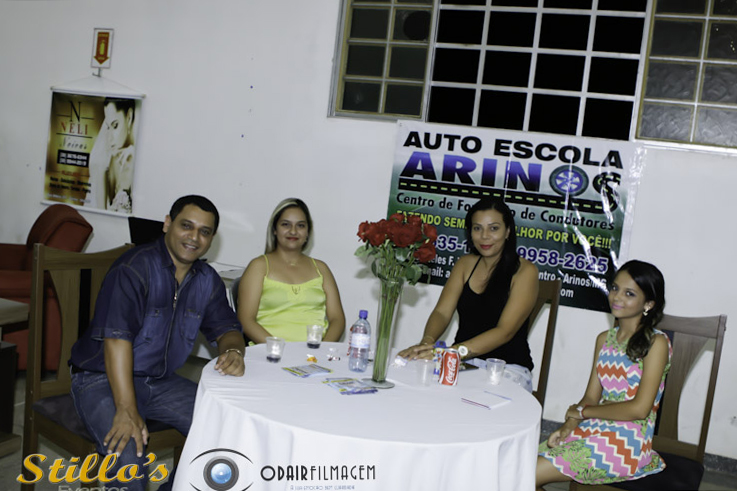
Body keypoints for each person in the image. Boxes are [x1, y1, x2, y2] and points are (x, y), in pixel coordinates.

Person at [69, 195, 246, 491]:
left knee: (227, 430)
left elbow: (228, 328)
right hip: (100, 379)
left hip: (160, 381)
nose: (194, 237)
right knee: (128, 453)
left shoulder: (206, 280)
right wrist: (126, 408)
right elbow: (116, 341)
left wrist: (233, 350)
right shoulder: (134, 268)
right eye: (186, 226)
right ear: (167, 224)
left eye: (204, 231)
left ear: (212, 238)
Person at [536, 260, 671, 489]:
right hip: (595, 426)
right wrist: (569, 424)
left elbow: (639, 409)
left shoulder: (656, 343)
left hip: (628, 442)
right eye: (615, 288)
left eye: (629, 293)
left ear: (648, 304)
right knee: (518, 469)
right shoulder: (604, 339)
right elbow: (591, 396)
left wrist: (583, 412)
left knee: (529, 474)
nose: (617, 297)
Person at [398, 197, 538, 391]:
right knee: (415, 386)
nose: (484, 236)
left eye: (494, 228)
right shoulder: (464, 264)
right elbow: (442, 312)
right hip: (462, 363)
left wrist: (450, 352)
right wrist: (426, 344)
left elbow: (504, 331)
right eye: (477, 228)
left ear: (507, 232)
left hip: (506, 368)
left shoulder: (525, 271)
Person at [238, 198, 345, 344]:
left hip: (314, 354)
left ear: (308, 232)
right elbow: (246, 320)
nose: (293, 231)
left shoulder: (321, 269)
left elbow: (337, 319)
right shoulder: (259, 266)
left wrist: (321, 351)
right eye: (285, 224)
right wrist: (280, 349)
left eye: (300, 225)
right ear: (274, 230)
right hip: (270, 353)